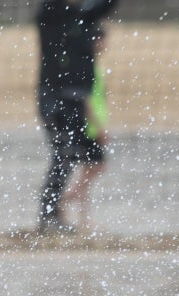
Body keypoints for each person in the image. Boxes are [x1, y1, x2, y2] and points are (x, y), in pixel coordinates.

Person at [34, 0, 119, 234]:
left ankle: (54, 213)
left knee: (70, 156)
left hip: (76, 101)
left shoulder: (84, 17)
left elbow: (106, 6)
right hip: (54, 97)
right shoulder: (50, 16)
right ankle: (49, 214)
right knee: (63, 154)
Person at [61, 22, 110, 233]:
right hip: (88, 127)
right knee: (95, 168)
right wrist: (98, 126)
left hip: (91, 125)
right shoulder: (86, 66)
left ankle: (83, 220)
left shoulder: (93, 65)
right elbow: (86, 99)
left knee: (86, 172)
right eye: (103, 39)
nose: (106, 44)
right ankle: (63, 201)